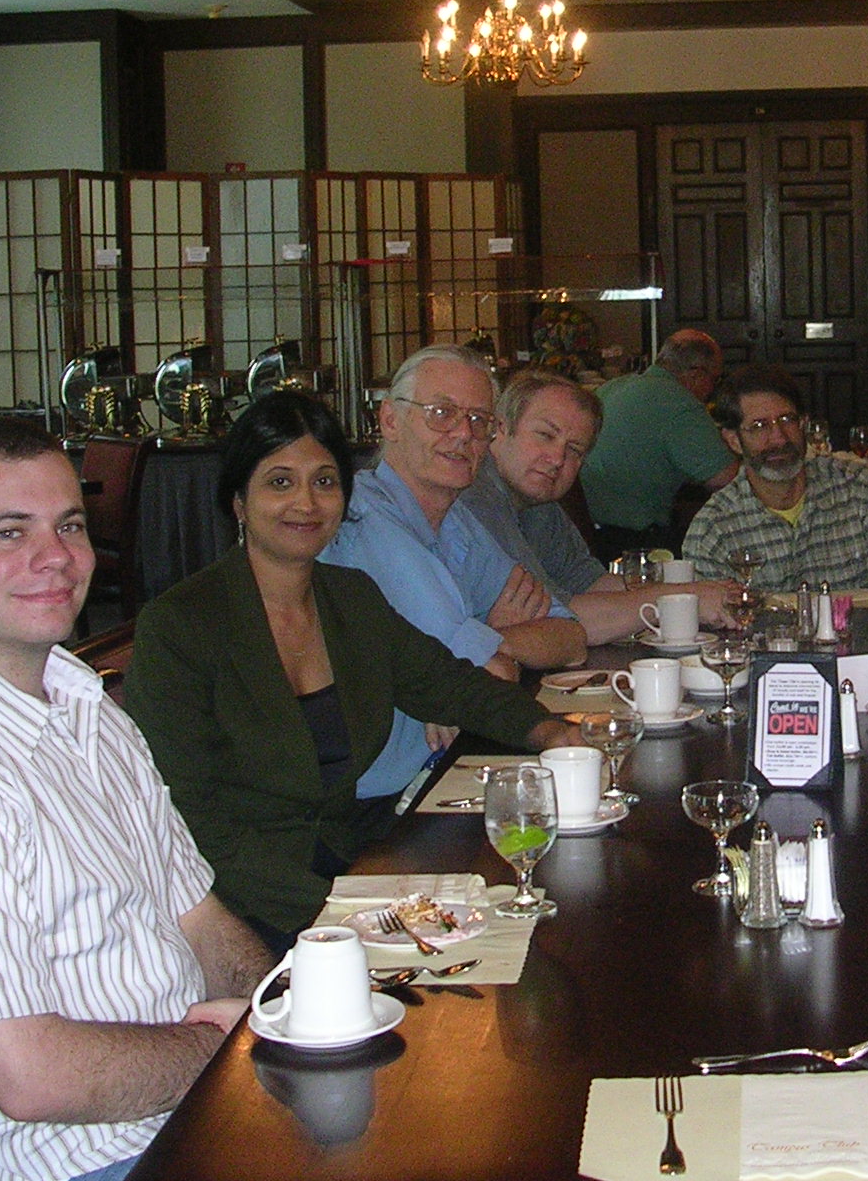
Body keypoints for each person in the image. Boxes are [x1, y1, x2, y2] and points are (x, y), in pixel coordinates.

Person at [0, 415, 274, 1181]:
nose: (56, 556)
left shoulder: (86, 708)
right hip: (76, 1162)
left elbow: (197, 918)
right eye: (10, 531)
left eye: (69, 525)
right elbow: (29, 1077)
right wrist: (227, 1050)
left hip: (187, 1110)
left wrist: (283, 1017)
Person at [126, 392, 581, 949]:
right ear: (239, 501)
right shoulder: (179, 627)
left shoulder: (351, 598)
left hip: (355, 861)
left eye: (324, 482)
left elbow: (453, 685)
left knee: (527, 923)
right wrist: (338, 910)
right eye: (280, 482)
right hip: (238, 903)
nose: (306, 503)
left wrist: (551, 733)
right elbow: (189, 821)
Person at [321, 344, 587, 677]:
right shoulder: (365, 519)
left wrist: (492, 640)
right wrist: (497, 650)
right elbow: (490, 672)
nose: (463, 434)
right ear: (390, 420)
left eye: (478, 420)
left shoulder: (457, 521)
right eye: (441, 413)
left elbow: (572, 637)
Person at [461, 366, 735, 644]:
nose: (557, 459)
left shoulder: (539, 504)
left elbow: (588, 581)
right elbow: (560, 620)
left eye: (574, 450)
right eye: (545, 435)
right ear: (500, 429)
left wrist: (697, 590)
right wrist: (679, 597)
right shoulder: (475, 498)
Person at [682, 362, 868, 597]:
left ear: (804, 424)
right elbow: (709, 625)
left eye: (787, 420)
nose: (778, 438)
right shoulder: (713, 529)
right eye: (759, 426)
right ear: (733, 441)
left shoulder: (857, 488)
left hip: (858, 638)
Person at [579, 328, 738, 555]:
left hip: (585, 531)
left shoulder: (610, 388)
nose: (713, 389)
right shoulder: (679, 403)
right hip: (632, 542)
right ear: (696, 374)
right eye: (715, 379)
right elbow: (727, 480)